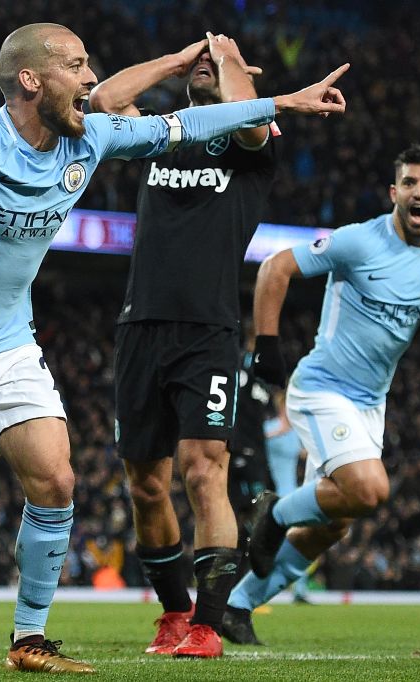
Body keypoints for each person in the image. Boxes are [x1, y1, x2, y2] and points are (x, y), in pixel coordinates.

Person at [0, 24, 349, 674]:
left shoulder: (92, 139)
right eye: (76, 67)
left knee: (57, 479)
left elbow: (185, 126)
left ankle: (29, 639)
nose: (88, 80)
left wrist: (283, 103)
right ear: (31, 80)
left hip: (10, 345)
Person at [222, 145, 420, 645]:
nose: (418, 192)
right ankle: (272, 514)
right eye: (409, 182)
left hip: (370, 404)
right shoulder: (361, 241)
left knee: (332, 526)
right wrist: (266, 346)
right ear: (394, 192)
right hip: (322, 389)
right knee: (371, 490)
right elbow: (276, 267)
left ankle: (238, 605)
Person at [89, 32, 288, 658]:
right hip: (140, 325)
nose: (206, 66)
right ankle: (174, 614)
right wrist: (178, 60)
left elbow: (253, 118)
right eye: (198, 64)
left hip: (209, 331)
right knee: (146, 484)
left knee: (207, 471)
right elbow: (101, 102)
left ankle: (207, 624)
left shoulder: (250, 149)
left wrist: (227, 62)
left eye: (217, 66)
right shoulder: (158, 135)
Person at [262, 391, 313, 604]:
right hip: (273, 494)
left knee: (299, 539)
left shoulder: (296, 433)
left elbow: (309, 452)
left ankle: (300, 589)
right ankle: (264, 585)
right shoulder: (269, 428)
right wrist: (278, 433)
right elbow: (253, 444)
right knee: (273, 543)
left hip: (292, 491)